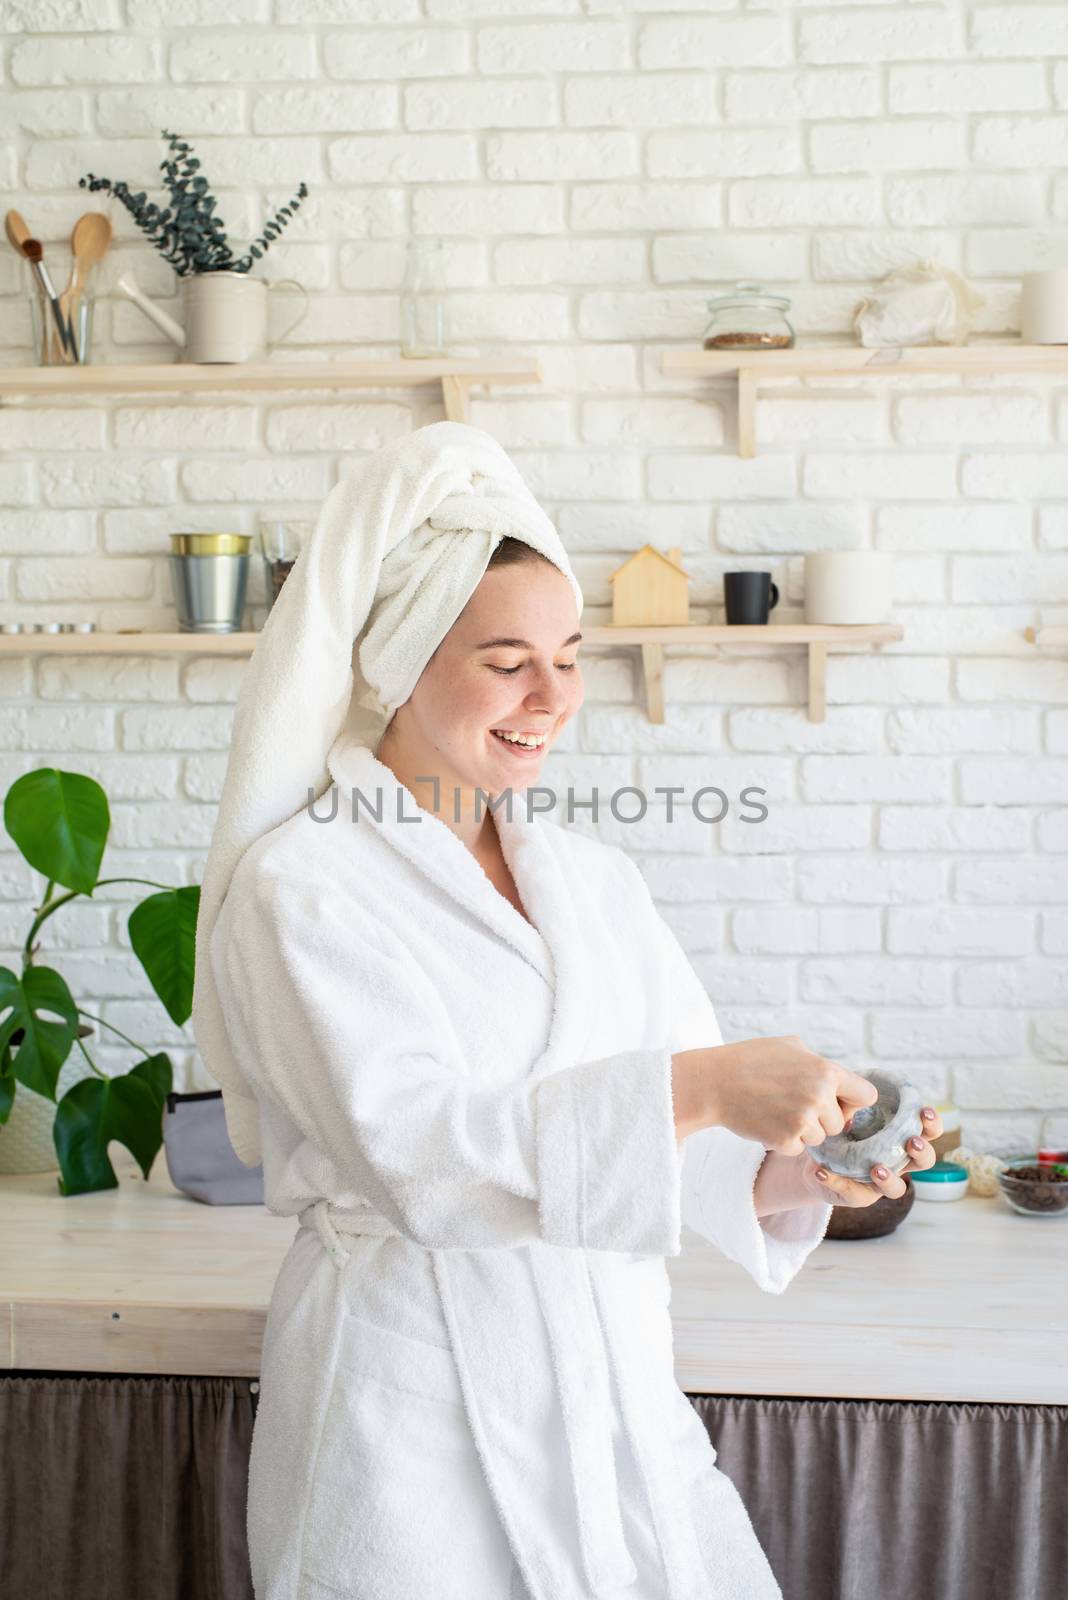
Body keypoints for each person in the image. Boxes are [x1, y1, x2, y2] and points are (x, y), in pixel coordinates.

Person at [192, 423, 942, 1600]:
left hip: (610, 1393)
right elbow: (419, 1156)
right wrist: (705, 1085)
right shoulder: (302, 890)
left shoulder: (592, 881)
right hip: (407, 1404)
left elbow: (677, 1146)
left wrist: (803, 1167)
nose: (553, 697)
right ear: (396, 661)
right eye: (507, 660)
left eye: (572, 654)